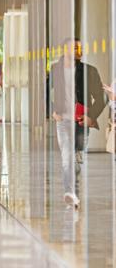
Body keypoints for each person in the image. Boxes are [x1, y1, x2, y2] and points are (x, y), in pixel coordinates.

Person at [51, 37, 106, 209]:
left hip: (81, 122)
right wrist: (52, 111)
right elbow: (44, 92)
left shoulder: (89, 71)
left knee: (76, 159)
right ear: (65, 50)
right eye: (74, 48)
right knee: (67, 158)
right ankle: (70, 193)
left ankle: (73, 192)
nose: (78, 51)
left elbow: (101, 97)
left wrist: (91, 117)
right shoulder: (55, 69)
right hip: (62, 121)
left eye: (80, 48)